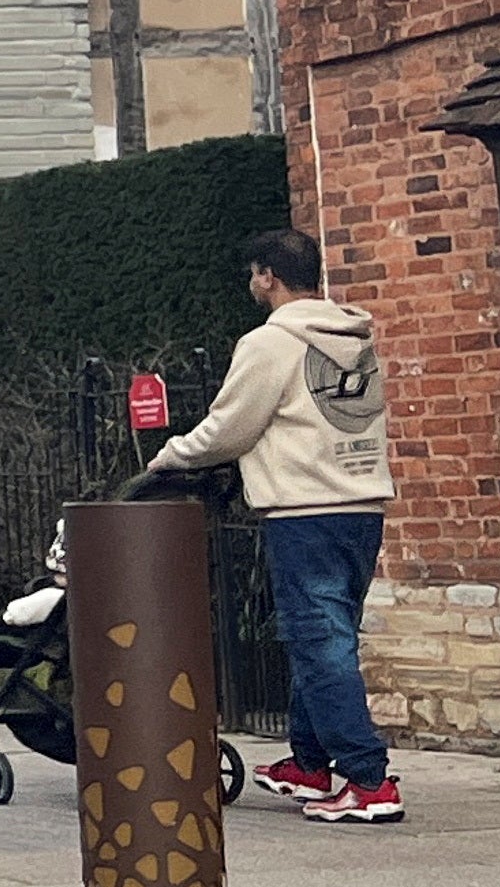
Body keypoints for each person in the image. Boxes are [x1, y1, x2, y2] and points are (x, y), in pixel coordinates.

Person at [138, 226, 398, 822]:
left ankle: (367, 780)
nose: (252, 283)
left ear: (267, 277)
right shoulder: (355, 338)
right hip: (361, 508)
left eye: (254, 274)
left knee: (320, 644)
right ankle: (309, 764)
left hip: (303, 512)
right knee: (324, 640)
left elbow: (230, 427)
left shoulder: (269, 343)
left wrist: (170, 455)